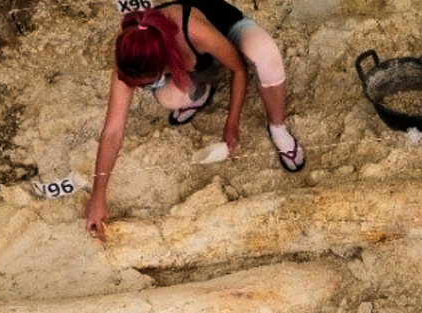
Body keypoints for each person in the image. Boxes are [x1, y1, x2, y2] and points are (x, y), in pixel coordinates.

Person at [84, 1, 305, 239]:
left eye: (147, 83)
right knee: (170, 96)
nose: (140, 89)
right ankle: (200, 94)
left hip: (226, 34)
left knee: (267, 55)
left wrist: (231, 125)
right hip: (194, 65)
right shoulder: (132, 50)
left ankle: (278, 126)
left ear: (164, 62)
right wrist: (98, 198)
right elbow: (113, 133)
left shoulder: (195, 31)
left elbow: (239, 69)